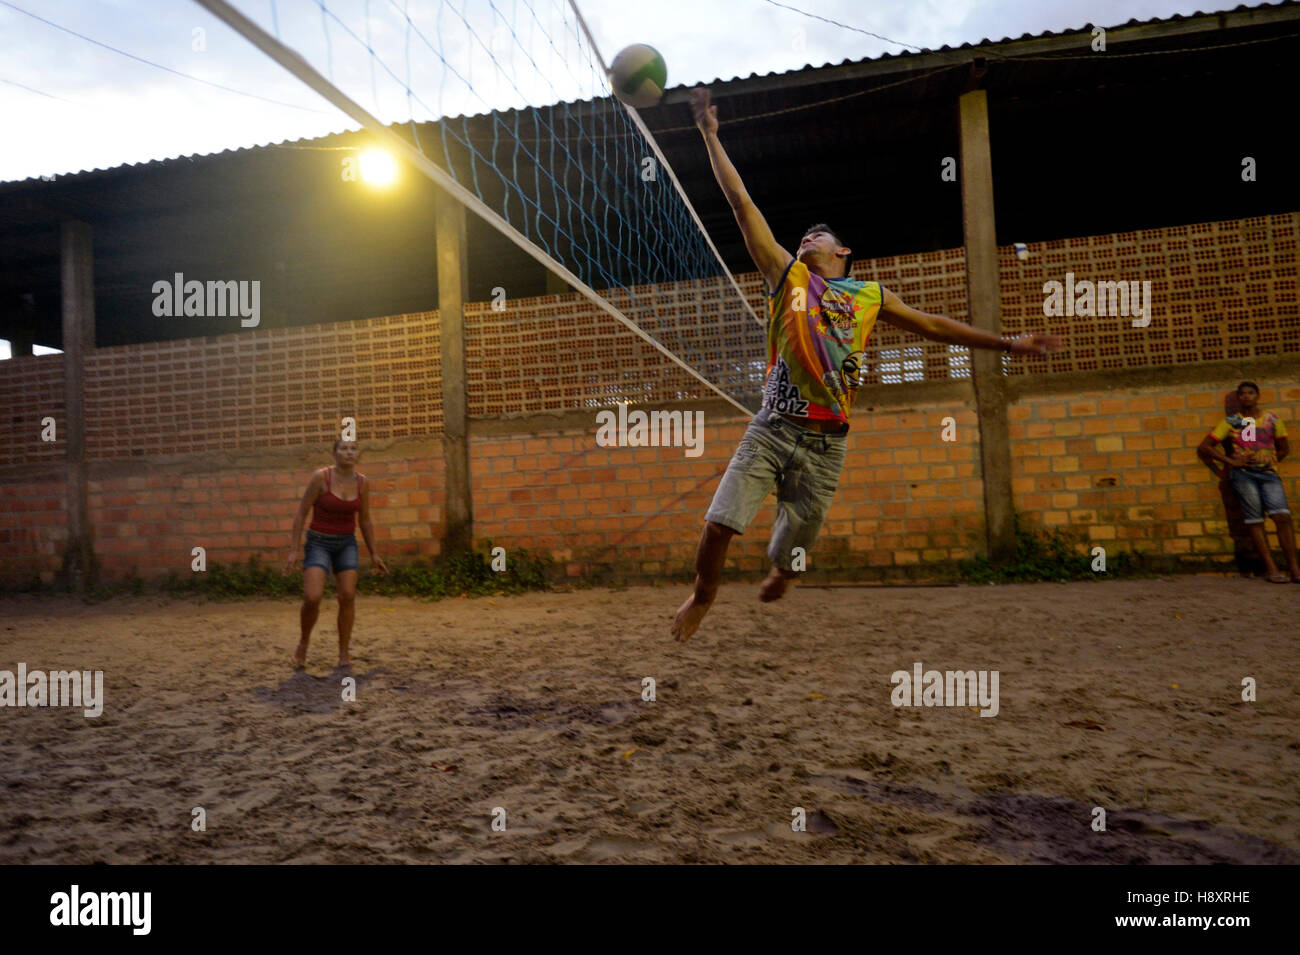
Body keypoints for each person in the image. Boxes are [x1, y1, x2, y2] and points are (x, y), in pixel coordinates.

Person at [672, 87, 1061, 642]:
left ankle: (783, 570)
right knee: (718, 525)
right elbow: (741, 203)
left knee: (795, 549)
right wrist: (710, 133)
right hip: (772, 428)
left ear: (844, 252)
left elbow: (933, 326)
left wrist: (1008, 342)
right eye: (804, 234)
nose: (809, 237)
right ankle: (702, 595)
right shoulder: (788, 277)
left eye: (820, 235)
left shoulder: (869, 295)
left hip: (828, 441)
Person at [284, 439, 388, 667]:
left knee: (348, 595)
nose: (349, 453)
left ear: (357, 454)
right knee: (312, 597)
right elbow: (301, 513)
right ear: (334, 454)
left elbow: (366, 520)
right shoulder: (321, 477)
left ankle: (343, 653)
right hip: (318, 542)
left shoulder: (362, 483)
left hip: (346, 544)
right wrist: (293, 550)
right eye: (343, 448)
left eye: (353, 449)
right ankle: (303, 644)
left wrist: (374, 554)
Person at [1196, 381, 1298, 583]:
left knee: (1282, 517)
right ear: (1238, 398)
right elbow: (1206, 447)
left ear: (1257, 396)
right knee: (1255, 520)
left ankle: (1295, 569)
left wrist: (1270, 460)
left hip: (1269, 475)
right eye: (1242, 394)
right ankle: (1271, 569)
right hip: (1243, 475)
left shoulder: (1271, 419)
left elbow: (1284, 447)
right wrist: (1230, 462)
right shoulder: (1233, 421)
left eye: (1250, 393)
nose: (1246, 397)